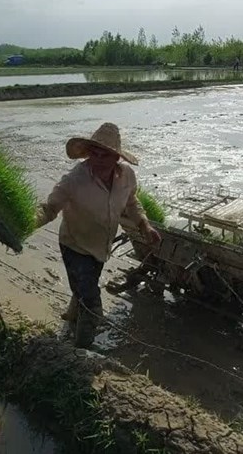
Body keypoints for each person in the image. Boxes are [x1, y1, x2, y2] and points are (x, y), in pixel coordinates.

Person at [34, 122, 161, 348]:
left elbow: (132, 202)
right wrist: (27, 222)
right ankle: (82, 349)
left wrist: (144, 226)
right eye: (95, 153)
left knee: (85, 285)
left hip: (101, 245)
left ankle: (72, 315)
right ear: (88, 153)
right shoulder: (74, 179)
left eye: (106, 155)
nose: (99, 159)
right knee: (91, 301)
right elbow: (49, 208)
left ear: (117, 157)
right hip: (75, 244)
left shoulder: (127, 176)